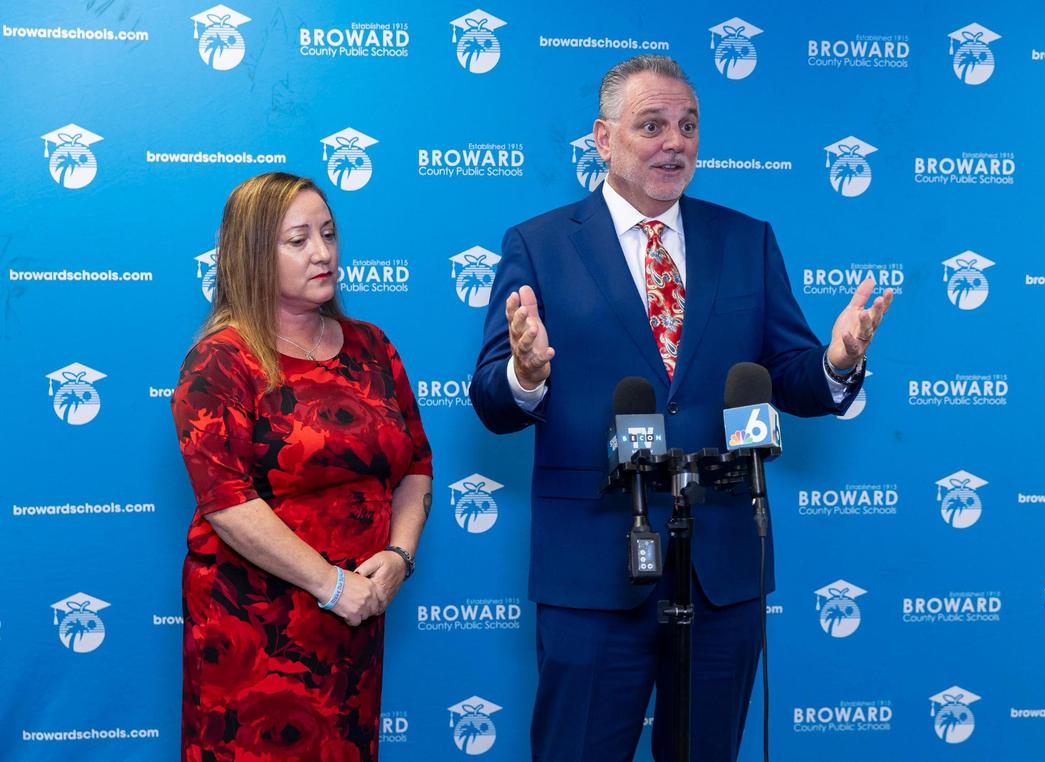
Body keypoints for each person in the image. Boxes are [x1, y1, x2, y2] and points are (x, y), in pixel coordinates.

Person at [471, 55, 892, 761]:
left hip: (722, 567)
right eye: (652, 125)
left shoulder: (745, 239)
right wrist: (524, 370)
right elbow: (492, 400)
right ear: (603, 140)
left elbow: (786, 375)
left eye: (688, 125)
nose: (676, 142)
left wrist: (837, 363)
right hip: (594, 566)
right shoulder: (539, 245)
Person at [172, 172, 432, 761]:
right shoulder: (221, 360)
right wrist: (332, 585)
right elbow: (226, 502)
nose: (323, 253)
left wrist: (398, 557)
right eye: (298, 240)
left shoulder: (372, 346)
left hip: (356, 620)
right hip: (254, 630)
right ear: (254, 253)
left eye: (329, 234)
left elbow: (416, 462)